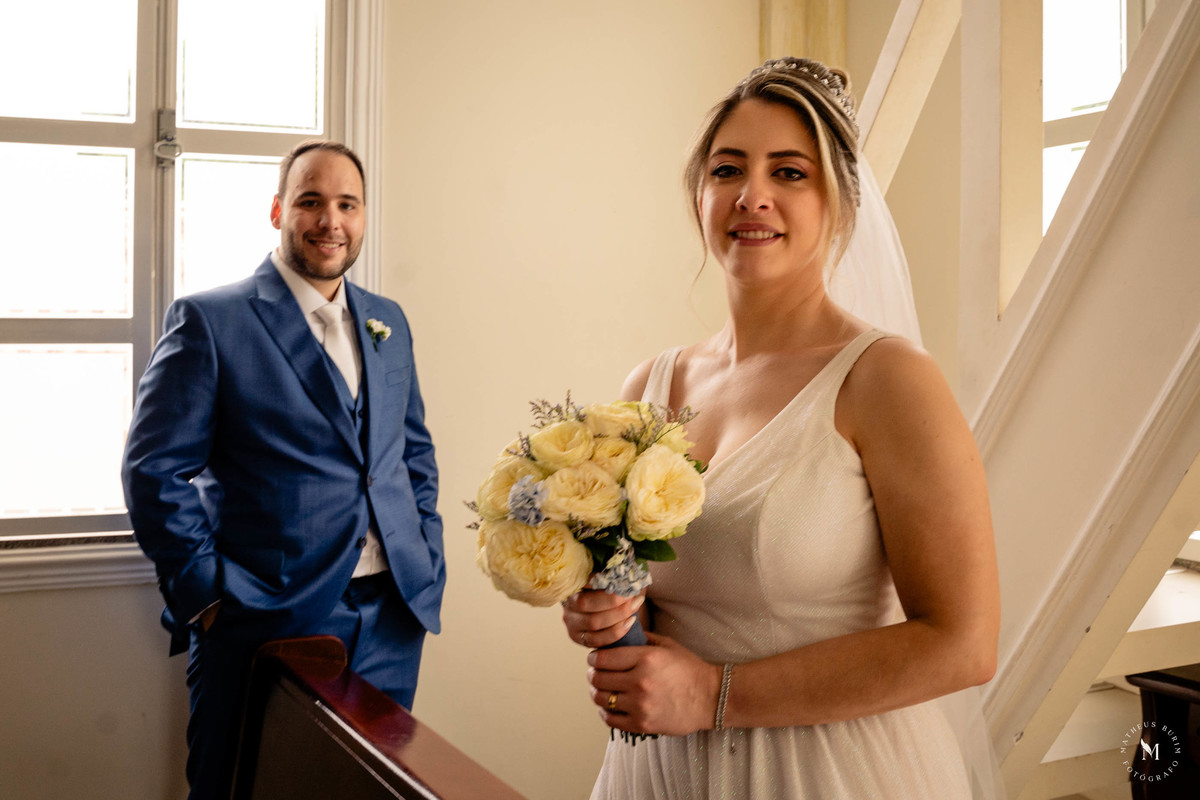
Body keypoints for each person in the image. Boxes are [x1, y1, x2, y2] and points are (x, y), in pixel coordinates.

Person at [561, 58, 1001, 798]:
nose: (752, 196)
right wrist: (604, 610)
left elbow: (963, 646)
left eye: (790, 173)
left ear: (841, 202)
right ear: (699, 194)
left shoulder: (888, 382)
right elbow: (654, 588)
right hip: (657, 771)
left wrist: (711, 695)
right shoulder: (653, 386)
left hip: (823, 773)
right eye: (728, 169)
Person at [122, 140, 445, 800]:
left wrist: (426, 555)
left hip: (391, 612)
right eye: (311, 201)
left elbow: (411, 454)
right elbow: (153, 468)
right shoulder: (211, 320)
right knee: (238, 787)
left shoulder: (389, 321)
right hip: (265, 611)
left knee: (365, 792)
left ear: (363, 216)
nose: (331, 220)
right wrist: (208, 595)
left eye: (347, 204)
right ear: (278, 210)